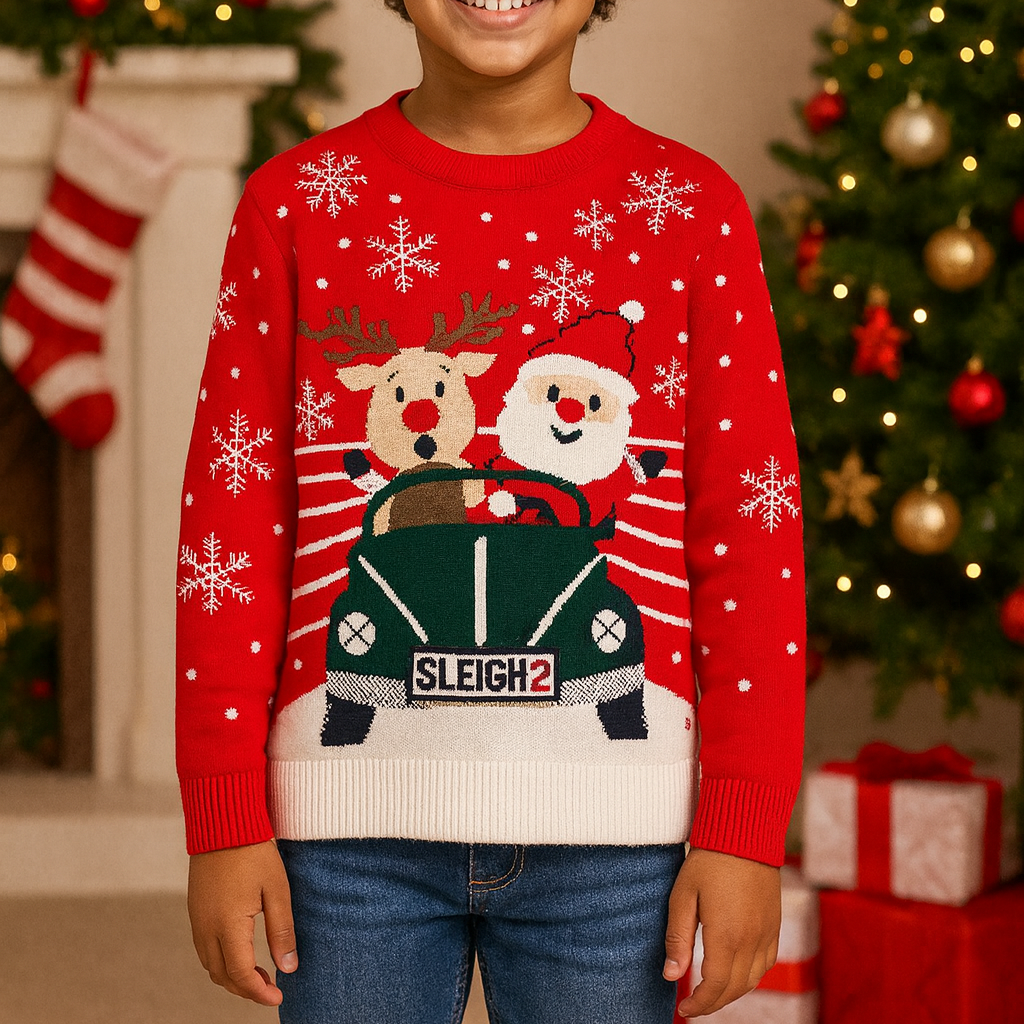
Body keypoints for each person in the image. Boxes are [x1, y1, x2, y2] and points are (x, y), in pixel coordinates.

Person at [177, 1, 806, 1021]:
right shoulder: (294, 205)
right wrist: (221, 815)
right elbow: (232, 527)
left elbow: (752, 527)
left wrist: (742, 827)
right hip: (345, 835)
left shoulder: (690, 208)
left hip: (619, 838)